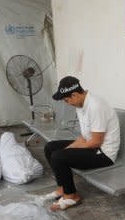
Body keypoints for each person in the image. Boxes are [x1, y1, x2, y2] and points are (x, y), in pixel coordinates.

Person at [43, 76, 120, 211]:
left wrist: (66, 152)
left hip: (104, 154)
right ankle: (62, 189)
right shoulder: (81, 104)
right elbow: (83, 138)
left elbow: (95, 142)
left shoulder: (96, 106)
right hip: (92, 147)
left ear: (74, 94)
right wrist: (69, 149)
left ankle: (71, 195)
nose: (67, 103)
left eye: (67, 100)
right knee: (50, 148)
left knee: (58, 156)